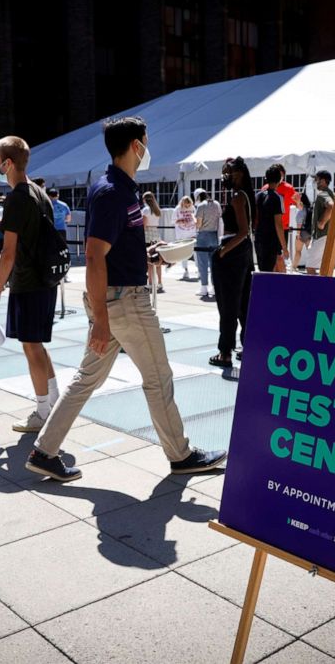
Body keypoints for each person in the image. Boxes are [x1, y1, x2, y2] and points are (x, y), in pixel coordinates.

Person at [26, 116, 227, 481]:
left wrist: (149, 251)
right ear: (136, 146)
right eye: (146, 141)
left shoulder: (119, 187)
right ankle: (181, 455)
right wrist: (101, 319)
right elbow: (92, 255)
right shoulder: (112, 192)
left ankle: (44, 451)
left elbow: (112, 247)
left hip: (117, 298)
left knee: (87, 379)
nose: (148, 148)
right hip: (124, 302)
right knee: (158, 377)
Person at [0, 135, 60, 433]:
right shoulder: (37, 192)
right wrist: (5, 225)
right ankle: (52, 399)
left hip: (28, 281)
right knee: (37, 344)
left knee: (31, 347)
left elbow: (8, 253)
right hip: (45, 278)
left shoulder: (17, 196)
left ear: (8, 163)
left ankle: (42, 410)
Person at [210, 157, 255, 368]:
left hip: (233, 251)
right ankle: (247, 347)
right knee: (244, 303)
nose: (225, 175)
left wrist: (223, 251)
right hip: (244, 253)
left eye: (229, 171)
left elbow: (243, 231)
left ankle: (225, 352)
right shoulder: (247, 196)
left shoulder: (238, 197)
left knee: (228, 305)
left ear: (240, 174)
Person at [261, 164, 301, 273]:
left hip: (283, 227)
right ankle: (278, 278)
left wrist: (298, 201)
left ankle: (280, 278)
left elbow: (299, 206)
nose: (278, 177)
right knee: (274, 257)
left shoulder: (288, 188)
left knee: (279, 256)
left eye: (280, 174)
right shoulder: (265, 189)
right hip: (270, 228)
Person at [254, 164, 288, 273]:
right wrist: (284, 247)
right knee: (268, 271)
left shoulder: (258, 196)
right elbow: (278, 225)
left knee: (262, 269)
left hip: (259, 238)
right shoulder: (277, 198)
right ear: (279, 179)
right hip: (270, 240)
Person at [305, 170, 335, 275]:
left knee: (310, 267)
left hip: (321, 236)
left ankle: (315, 290)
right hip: (325, 236)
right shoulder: (328, 192)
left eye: (316, 179)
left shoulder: (323, 193)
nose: (315, 182)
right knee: (324, 269)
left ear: (322, 181)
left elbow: (331, 206)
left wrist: (322, 222)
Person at [193, 189, 221, 298]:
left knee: (202, 263)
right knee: (213, 263)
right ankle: (214, 287)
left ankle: (203, 287)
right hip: (214, 235)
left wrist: (193, 219)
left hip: (203, 236)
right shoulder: (216, 204)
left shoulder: (201, 206)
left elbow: (199, 224)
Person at [141, 191, 164, 292]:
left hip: (148, 235)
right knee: (158, 260)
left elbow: (144, 225)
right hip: (156, 234)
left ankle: (150, 283)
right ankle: (159, 282)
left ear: (145, 200)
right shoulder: (157, 210)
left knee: (149, 261)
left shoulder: (146, 210)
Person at [173, 195, 198, 279]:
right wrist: (181, 221)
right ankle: (185, 270)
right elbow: (173, 221)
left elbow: (196, 218)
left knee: (196, 252)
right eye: (185, 205)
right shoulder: (177, 209)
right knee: (184, 253)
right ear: (182, 203)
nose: (187, 207)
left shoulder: (193, 208)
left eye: (189, 205)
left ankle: (199, 270)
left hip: (192, 233)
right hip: (182, 234)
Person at [292, 193, 311, 271]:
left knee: (298, 251)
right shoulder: (308, 208)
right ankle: (310, 268)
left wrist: (298, 234)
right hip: (308, 232)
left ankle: (294, 267)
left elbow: (299, 223)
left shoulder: (301, 211)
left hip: (301, 232)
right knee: (309, 252)